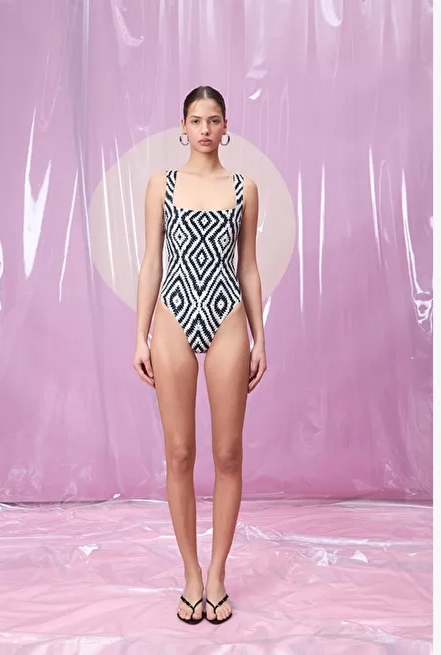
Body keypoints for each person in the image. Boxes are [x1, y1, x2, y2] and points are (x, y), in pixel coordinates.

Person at [133, 85, 267, 624]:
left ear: (226, 125)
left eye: (214, 120)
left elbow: (248, 266)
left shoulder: (243, 188)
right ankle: (190, 573)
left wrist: (260, 337)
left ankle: (217, 573)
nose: (205, 129)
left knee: (228, 453)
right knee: (180, 453)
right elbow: (151, 262)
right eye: (196, 120)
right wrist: (139, 335)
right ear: (182, 126)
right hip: (172, 319)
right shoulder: (161, 185)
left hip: (227, 318)